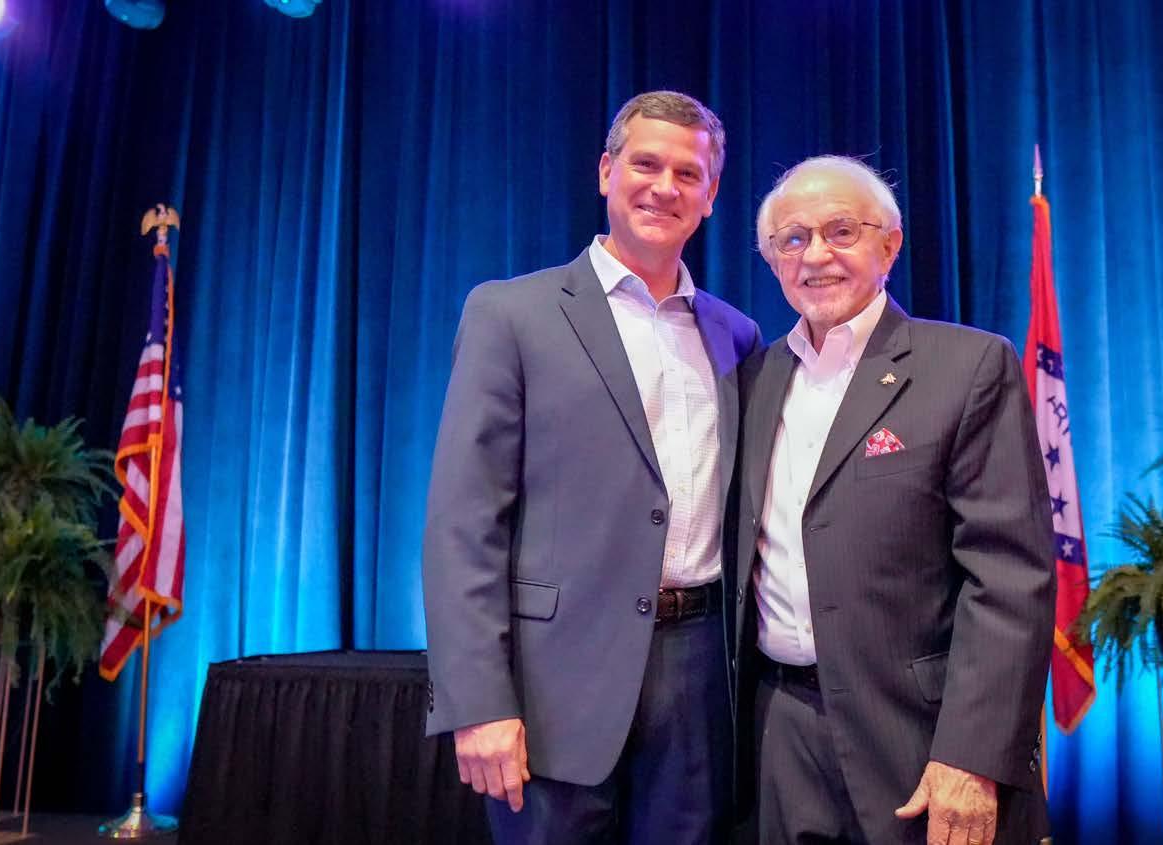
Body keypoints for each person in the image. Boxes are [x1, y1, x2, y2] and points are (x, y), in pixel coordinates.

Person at [422, 90, 761, 844]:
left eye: (688, 173)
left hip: (701, 678)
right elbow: (463, 524)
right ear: (607, 171)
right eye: (646, 164)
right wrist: (477, 700)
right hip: (551, 687)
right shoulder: (511, 313)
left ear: (710, 196)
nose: (664, 187)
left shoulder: (736, 335)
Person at [733, 155, 1054, 845]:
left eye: (841, 231)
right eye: (793, 239)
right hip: (779, 735)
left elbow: (1009, 579)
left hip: (923, 736)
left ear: (890, 244)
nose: (815, 255)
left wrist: (973, 755)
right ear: (772, 259)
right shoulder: (751, 379)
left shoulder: (967, 366)